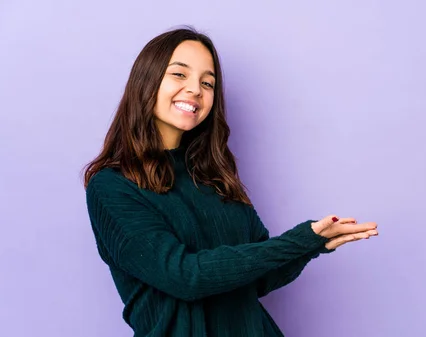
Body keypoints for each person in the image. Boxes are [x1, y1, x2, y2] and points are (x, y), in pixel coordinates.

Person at [83, 26, 378, 337]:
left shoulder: (214, 176)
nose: (195, 90)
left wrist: (315, 242)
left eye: (207, 83)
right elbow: (185, 277)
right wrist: (300, 240)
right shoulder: (112, 187)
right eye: (179, 75)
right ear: (146, 81)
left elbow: (258, 278)